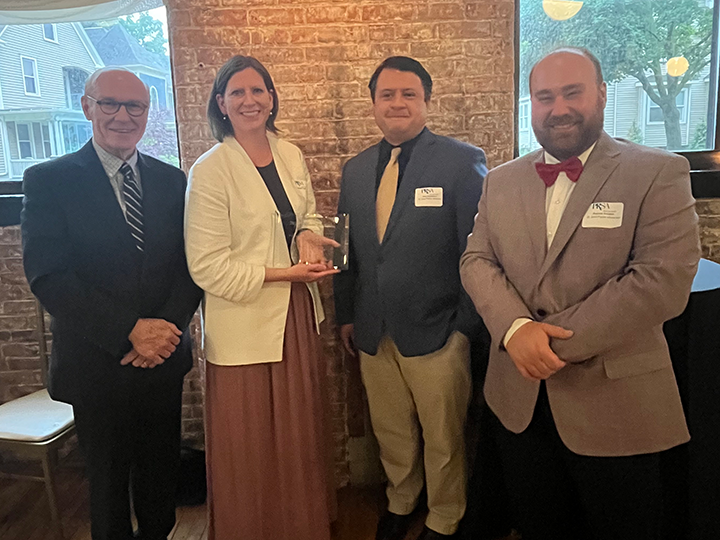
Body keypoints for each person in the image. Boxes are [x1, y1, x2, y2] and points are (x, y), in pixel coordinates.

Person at [459, 47, 701, 540]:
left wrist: (543, 344)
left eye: (573, 92)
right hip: (520, 402)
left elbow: (661, 280)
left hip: (618, 404)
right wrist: (516, 328)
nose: (559, 107)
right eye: (544, 97)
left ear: (602, 94)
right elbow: (476, 261)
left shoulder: (658, 171)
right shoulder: (501, 182)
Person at [21, 68, 202, 540]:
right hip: (95, 363)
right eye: (110, 104)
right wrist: (130, 331)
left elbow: (190, 266)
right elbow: (49, 276)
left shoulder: (172, 181)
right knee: (106, 488)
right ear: (87, 107)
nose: (123, 116)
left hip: (161, 360)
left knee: (160, 478)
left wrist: (162, 332)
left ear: (147, 113)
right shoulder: (48, 180)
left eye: (135, 106)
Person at [184, 55, 338, 540]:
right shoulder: (209, 171)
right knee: (249, 442)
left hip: (295, 314)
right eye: (238, 93)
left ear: (272, 99)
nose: (250, 100)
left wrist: (310, 240)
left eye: (259, 91)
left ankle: (302, 526)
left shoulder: (290, 153)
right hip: (244, 322)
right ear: (221, 104)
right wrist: (284, 273)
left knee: (297, 434)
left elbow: (307, 216)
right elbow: (206, 266)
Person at [333, 56, 487, 540]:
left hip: (439, 329)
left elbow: (478, 249)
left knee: (445, 435)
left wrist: (464, 326)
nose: (397, 103)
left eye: (409, 94)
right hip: (373, 329)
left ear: (426, 100)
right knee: (392, 427)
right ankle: (402, 499)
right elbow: (347, 252)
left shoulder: (462, 161)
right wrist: (345, 315)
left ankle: (445, 514)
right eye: (387, 95)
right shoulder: (355, 169)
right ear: (374, 103)